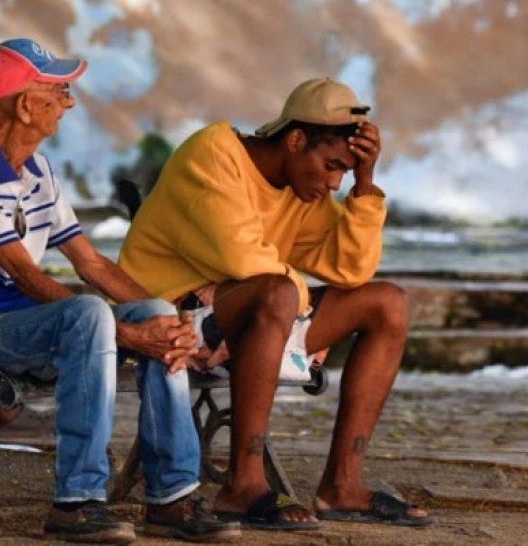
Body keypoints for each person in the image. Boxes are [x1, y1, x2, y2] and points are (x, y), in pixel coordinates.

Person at [0, 38, 240, 544]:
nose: (69, 103)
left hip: (24, 324)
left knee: (154, 313)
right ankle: (76, 502)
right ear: (25, 105)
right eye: (59, 91)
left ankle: (172, 497)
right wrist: (128, 334)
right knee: (90, 315)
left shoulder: (37, 171)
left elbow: (91, 262)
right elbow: (23, 274)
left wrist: (169, 323)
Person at [119, 77, 432, 530]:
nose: (333, 182)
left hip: (251, 319)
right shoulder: (214, 153)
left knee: (388, 303)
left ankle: (341, 487)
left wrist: (365, 187)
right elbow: (243, 258)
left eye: (344, 173)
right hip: (169, 323)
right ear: (295, 140)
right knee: (278, 291)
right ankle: (244, 485)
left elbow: (351, 269)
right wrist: (293, 305)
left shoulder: (303, 189)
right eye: (331, 166)